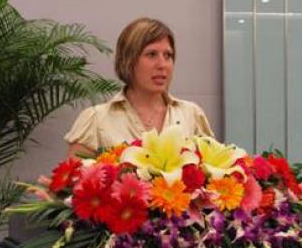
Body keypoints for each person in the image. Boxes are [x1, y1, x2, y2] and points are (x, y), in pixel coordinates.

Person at [65, 17, 214, 157]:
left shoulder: (191, 115)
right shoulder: (97, 120)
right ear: (128, 60)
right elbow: (74, 175)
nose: (162, 65)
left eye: (168, 55)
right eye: (152, 54)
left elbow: (215, 170)